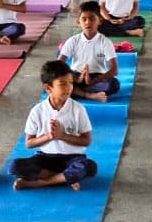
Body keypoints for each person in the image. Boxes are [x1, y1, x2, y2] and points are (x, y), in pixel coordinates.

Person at [9, 59, 97, 190]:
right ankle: (64, 178)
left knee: (89, 166)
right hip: (45, 158)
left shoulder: (78, 109)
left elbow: (86, 141)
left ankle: (42, 182)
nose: (69, 88)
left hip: (72, 158)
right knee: (15, 166)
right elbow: (29, 143)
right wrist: (49, 136)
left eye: (71, 83)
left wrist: (62, 136)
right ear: (48, 88)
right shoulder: (38, 110)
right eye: (63, 84)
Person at [59, 1, 121, 101]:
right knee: (56, 80)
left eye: (92, 19)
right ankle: (89, 95)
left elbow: (114, 70)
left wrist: (93, 81)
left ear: (100, 21)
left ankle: (75, 91)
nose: (88, 22)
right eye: (84, 19)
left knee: (113, 85)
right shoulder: (73, 41)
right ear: (78, 22)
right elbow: (58, 64)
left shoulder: (105, 42)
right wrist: (76, 78)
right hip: (75, 75)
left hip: (97, 78)